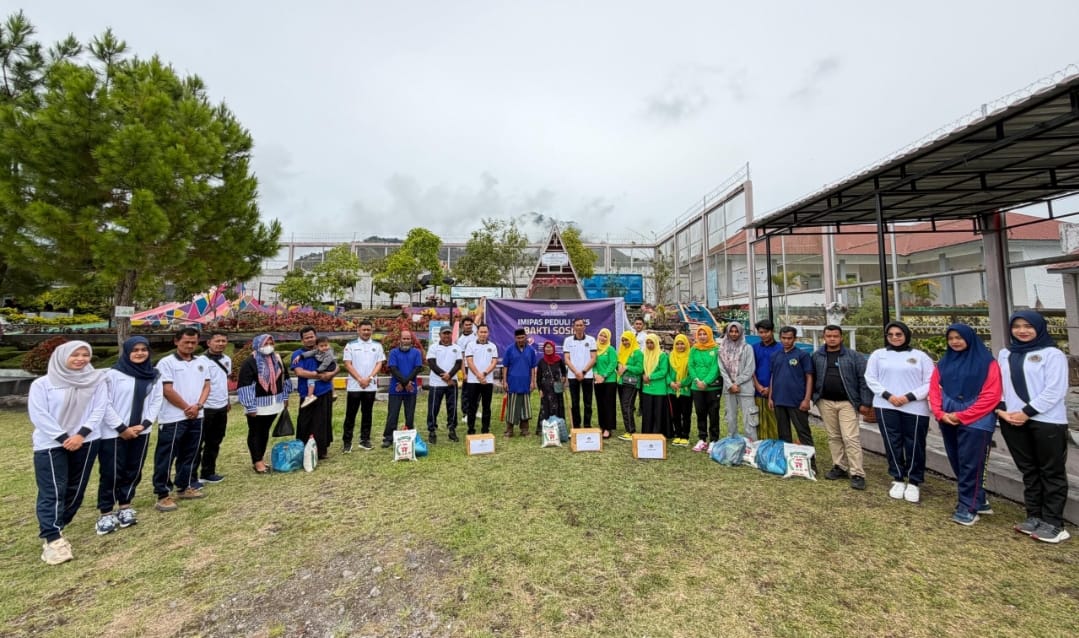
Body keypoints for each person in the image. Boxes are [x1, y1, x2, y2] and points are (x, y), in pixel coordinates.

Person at [29, 341, 107, 565]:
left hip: (86, 440)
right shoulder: (43, 384)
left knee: (76, 489)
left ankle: (57, 526)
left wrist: (81, 435)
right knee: (53, 490)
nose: (81, 359)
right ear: (62, 356)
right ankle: (53, 539)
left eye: (85, 355)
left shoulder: (96, 381)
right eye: (75, 355)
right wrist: (64, 438)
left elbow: (99, 409)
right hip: (50, 443)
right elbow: (39, 414)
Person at [996, 310, 1070, 543]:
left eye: (1028, 326)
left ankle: (1054, 523)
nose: (1022, 330)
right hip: (1011, 420)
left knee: (1051, 471)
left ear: (1039, 327)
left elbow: (1055, 390)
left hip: (1046, 421)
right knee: (1029, 470)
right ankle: (1034, 516)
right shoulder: (1005, 353)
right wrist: (1001, 410)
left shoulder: (1052, 354)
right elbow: (999, 385)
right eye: (1017, 326)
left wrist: (1026, 413)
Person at [928, 324, 1001, 526]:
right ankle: (979, 499)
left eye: (959, 337)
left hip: (977, 421)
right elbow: (934, 389)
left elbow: (992, 395)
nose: (955, 342)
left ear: (969, 338)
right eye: (951, 338)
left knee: (971, 464)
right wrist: (940, 413)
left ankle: (968, 507)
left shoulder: (987, 363)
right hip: (947, 419)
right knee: (958, 462)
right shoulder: (944, 362)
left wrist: (963, 416)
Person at [97, 337, 163, 535]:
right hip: (113, 432)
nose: (140, 353)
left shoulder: (154, 375)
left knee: (133, 469)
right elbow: (104, 403)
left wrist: (144, 424)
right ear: (127, 352)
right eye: (135, 350)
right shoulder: (112, 375)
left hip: (141, 431)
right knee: (111, 472)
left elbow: (156, 401)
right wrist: (122, 428)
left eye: (144, 349)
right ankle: (106, 512)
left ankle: (125, 505)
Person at [865, 321, 934, 503]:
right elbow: (870, 378)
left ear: (906, 335)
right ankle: (898, 478)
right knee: (892, 442)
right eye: (891, 335)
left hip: (915, 407)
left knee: (915, 443)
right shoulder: (878, 355)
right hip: (886, 405)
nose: (895, 337)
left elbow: (930, 382)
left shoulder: (920, 356)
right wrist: (888, 396)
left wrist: (909, 397)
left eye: (898, 334)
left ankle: (914, 481)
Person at [152, 328, 210, 512]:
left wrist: (198, 406)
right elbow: (167, 390)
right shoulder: (166, 363)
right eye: (186, 342)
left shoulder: (201, 362)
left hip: (197, 415)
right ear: (176, 341)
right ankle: (162, 493)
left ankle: (184, 486)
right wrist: (187, 407)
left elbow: (206, 386)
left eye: (194, 342)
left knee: (190, 453)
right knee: (166, 456)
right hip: (173, 418)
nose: (190, 345)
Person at [812, 325, 873, 490]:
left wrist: (866, 402)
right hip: (826, 402)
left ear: (841, 338)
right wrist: (814, 397)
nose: (832, 339)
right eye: (829, 336)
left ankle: (857, 473)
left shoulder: (854, 356)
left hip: (848, 402)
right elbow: (813, 377)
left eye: (835, 336)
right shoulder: (817, 356)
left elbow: (864, 379)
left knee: (850, 438)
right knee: (833, 436)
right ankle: (839, 466)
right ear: (824, 337)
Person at [237, 334, 292, 473]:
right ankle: (257, 461)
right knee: (256, 431)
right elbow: (245, 384)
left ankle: (260, 457)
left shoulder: (277, 359)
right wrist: (250, 406)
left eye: (271, 343)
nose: (269, 346)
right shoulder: (250, 362)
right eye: (265, 343)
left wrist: (285, 397)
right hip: (257, 404)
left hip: (274, 402)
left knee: (264, 431)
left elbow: (285, 378)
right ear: (258, 344)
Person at [769, 327, 816, 463]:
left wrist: (807, 399)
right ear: (780, 338)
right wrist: (771, 397)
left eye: (789, 338)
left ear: (795, 339)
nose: (786, 341)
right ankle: (786, 462)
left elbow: (809, 377)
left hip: (797, 401)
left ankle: (810, 464)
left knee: (803, 432)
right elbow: (773, 376)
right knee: (783, 433)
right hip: (779, 400)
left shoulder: (802, 355)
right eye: (784, 338)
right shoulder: (775, 355)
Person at [291, 328, 336, 459]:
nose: (310, 339)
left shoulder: (324, 350)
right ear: (302, 340)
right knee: (305, 422)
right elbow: (299, 372)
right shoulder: (298, 354)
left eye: (312, 336)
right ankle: (304, 449)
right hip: (307, 395)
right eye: (307, 337)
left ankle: (321, 450)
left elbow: (336, 367)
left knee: (323, 422)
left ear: (316, 337)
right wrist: (320, 376)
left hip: (324, 391)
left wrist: (331, 374)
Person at [342, 319, 385, 452]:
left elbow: (379, 363)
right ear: (358, 330)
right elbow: (347, 364)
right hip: (355, 386)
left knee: (367, 414)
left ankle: (365, 440)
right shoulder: (350, 345)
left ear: (372, 330)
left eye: (368, 330)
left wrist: (369, 378)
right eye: (364, 330)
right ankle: (347, 442)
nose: (366, 332)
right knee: (351, 414)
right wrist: (360, 379)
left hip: (370, 386)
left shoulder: (377, 346)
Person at [194, 330, 230, 485]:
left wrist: (227, 400)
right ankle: (191, 476)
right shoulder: (199, 361)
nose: (221, 344)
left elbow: (224, 380)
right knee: (198, 442)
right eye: (217, 341)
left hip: (221, 406)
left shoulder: (227, 359)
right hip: (206, 407)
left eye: (223, 341)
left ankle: (208, 472)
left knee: (215, 440)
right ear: (209, 343)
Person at [382, 330, 423, 447]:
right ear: (400, 339)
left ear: (411, 340)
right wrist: (404, 383)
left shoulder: (416, 352)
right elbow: (393, 369)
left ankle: (409, 436)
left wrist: (405, 383)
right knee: (392, 414)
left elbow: (417, 368)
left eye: (408, 338)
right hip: (396, 389)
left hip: (410, 388)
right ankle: (388, 437)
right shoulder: (394, 352)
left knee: (410, 415)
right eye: (404, 338)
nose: (406, 341)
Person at [719, 322, 758, 440]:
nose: (734, 334)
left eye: (736, 331)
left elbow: (749, 369)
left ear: (741, 332)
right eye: (731, 331)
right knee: (730, 417)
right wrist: (730, 385)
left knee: (749, 417)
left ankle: (751, 442)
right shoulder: (722, 348)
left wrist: (736, 383)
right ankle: (732, 441)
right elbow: (722, 369)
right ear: (727, 332)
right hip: (729, 389)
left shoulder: (747, 348)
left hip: (745, 388)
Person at [687, 325, 720, 452]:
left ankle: (714, 440)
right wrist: (696, 380)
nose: (702, 336)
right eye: (700, 334)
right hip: (697, 387)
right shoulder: (694, 349)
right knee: (700, 412)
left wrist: (706, 382)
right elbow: (691, 366)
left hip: (712, 387)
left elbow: (715, 367)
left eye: (704, 334)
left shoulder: (716, 349)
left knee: (713, 413)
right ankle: (702, 438)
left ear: (709, 334)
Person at [426, 326, 462, 443]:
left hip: (452, 382)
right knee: (433, 408)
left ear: (451, 335)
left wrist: (449, 375)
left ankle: (452, 430)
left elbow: (458, 364)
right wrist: (445, 377)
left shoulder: (457, 348)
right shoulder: (433, 347)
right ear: (440, 335)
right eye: (444, 333)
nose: (446, 336)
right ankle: (432, 430)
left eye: (448, 333)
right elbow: (432, 364)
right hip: (436, 383)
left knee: (452, 407)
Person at [502, 328, 539, 437]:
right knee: (512, 406)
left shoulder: (531, 350)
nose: (520, 340)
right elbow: (505, 366)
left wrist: (533, 381)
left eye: (522, 337)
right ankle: (509, 430)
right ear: (515, 338)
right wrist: (505, 381)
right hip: (512, 382)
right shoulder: (509, 349)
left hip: (526, 382)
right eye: (518, 338)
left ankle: (524, 430)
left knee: (525, 406)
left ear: (526, 337)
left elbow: (532, 367)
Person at [464, 324, 499, 435]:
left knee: (486, 406)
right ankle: (471, 429)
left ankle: (485, 429)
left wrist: (484, 374)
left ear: (488, 333)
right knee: (472, 406)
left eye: (485, 332)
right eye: (481, 332)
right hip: (473, 381)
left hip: (487, 381)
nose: (483, 334)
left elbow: (494, 362)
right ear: (477, 333)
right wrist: (478, 375)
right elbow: (469, 362)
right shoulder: (470, 345)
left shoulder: (492, 346)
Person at [562, 318, 597, 428]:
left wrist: (583, 372)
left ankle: (587, 425)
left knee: (588, 402)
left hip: (588, 375)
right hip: (573, 376)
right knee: (575, 402)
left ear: (584, 327)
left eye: (581, 325)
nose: (579, 327)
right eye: (577, 325)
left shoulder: (591, 340)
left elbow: (593, 358)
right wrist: (576, 372)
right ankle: (576, 426)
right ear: (573, 327)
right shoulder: (568, 340)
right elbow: (566, 359)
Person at [751, 319, 783, 441]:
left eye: (766, 332)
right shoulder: (754, 348)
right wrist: (757, 386)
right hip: (758, 390)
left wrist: (770, 388)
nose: (764, 335)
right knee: (759, 420)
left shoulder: (781, 348)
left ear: (772, 331)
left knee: (775, 420)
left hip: (776, 391)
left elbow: (781, 370)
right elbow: (751, 369)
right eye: (761, 332)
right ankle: (761, 444)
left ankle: (775, 444)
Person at [639, 334, 670, 436]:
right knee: (647, 412)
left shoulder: (662, 355)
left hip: (659, 389)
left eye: (651, 342)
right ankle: (647, 432)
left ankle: (657, 433)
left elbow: (663, 371)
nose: (649, 345)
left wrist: (650, 377)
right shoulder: (644, 354)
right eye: (647, 343)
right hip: (647, 388)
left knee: (658, 413)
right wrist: (644, 375)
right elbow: (641, 368)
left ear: (656, 343)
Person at [616, 331, 644, 441]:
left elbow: (640, 369)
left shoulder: (637, 352)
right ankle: (628, 430)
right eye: (623, 340)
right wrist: (618, 368)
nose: (624, 342)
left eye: (626, 340)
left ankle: (631, 431)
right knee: (624, 406)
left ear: (632, 339)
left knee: (627, 405)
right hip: (621, 382)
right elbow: (619, 364)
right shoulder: (622, 350)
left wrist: (627, 367)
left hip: (632, 383)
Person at [593, 328, 619, 439]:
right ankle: (602, 426)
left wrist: (603, 376)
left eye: (605, 336)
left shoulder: (611, 349)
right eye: (601, 335)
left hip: (609, 380)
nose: (602, 338)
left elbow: (613, 364)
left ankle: (608, 428)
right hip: (598, 380)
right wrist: (595, 374)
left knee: (609, 404)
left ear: (608, 338)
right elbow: (593, 363)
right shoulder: (595, 349)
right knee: (600, 404)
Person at [298, 336, 338, 409]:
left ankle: (310, 396)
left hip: (329, 367)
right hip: (326, 367)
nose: (324, 347)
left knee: (311, 379)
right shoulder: (317, 351)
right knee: (330, 379)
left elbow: (325, 364)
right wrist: (301, 356)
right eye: (321, 346)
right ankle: (333, 393)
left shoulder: (329, 353)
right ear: (317, 346)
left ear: (329, 345)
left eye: (326, 345)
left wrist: (317, 371)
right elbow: (311, 353)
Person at [667, 334, 692, 446]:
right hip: (672, 389)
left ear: (686, 344)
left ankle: (685, 435)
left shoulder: (690, 356)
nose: (680, 346)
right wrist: (671, 382)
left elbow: (691, 374)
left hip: (685, 390)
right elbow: (667, 372)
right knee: (675, 413)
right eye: (677, 344)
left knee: (686, 414)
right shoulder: (671, 356)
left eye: (682, 344)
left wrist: (682, 383)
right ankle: (677, 434)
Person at [537, 341, 567, 426]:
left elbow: (564, 370)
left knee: (558, 405)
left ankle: (558, 426)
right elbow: (538, 377)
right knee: (546, 406)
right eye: (546, 347)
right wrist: (540, 389)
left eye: (550, 347)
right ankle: (545, 427)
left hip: (557, 387)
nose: (548, 349)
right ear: (544, 349)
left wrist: (564, 377)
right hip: (545, 389)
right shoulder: (541, 362)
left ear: (553, 348)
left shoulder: (559, 360)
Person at [456, 317, 478, 426]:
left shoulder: (475, 332)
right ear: (462, 326)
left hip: (477, 366)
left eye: (470, 324)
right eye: (466, 325)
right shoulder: (460, 340)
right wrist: (464, 373)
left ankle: (474, 410)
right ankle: (465, 413)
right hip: (467, 367)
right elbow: (461, 357)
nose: (469, 326)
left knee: (477, 390)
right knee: (466, 392)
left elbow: (478, 317)